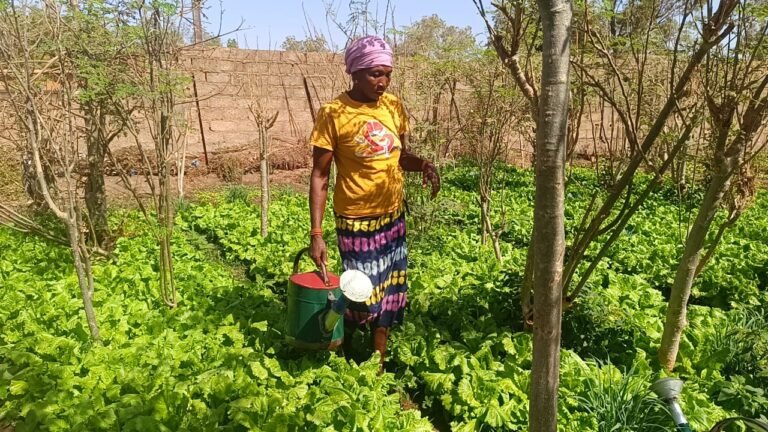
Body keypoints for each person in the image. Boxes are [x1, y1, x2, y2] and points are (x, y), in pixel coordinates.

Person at [307, 35, 440, 366]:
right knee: (360, 292)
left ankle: (378, 360)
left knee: (392, 291)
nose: (382, 82)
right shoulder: (334, 113)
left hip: (393, 218)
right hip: (357, 220)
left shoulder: (393, 107)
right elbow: (320, 176)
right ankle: (341, 347)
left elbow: (399, 156)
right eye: (374, 74)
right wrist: (316, 233)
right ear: (354, 72)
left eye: (387, 74)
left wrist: (423, 164)